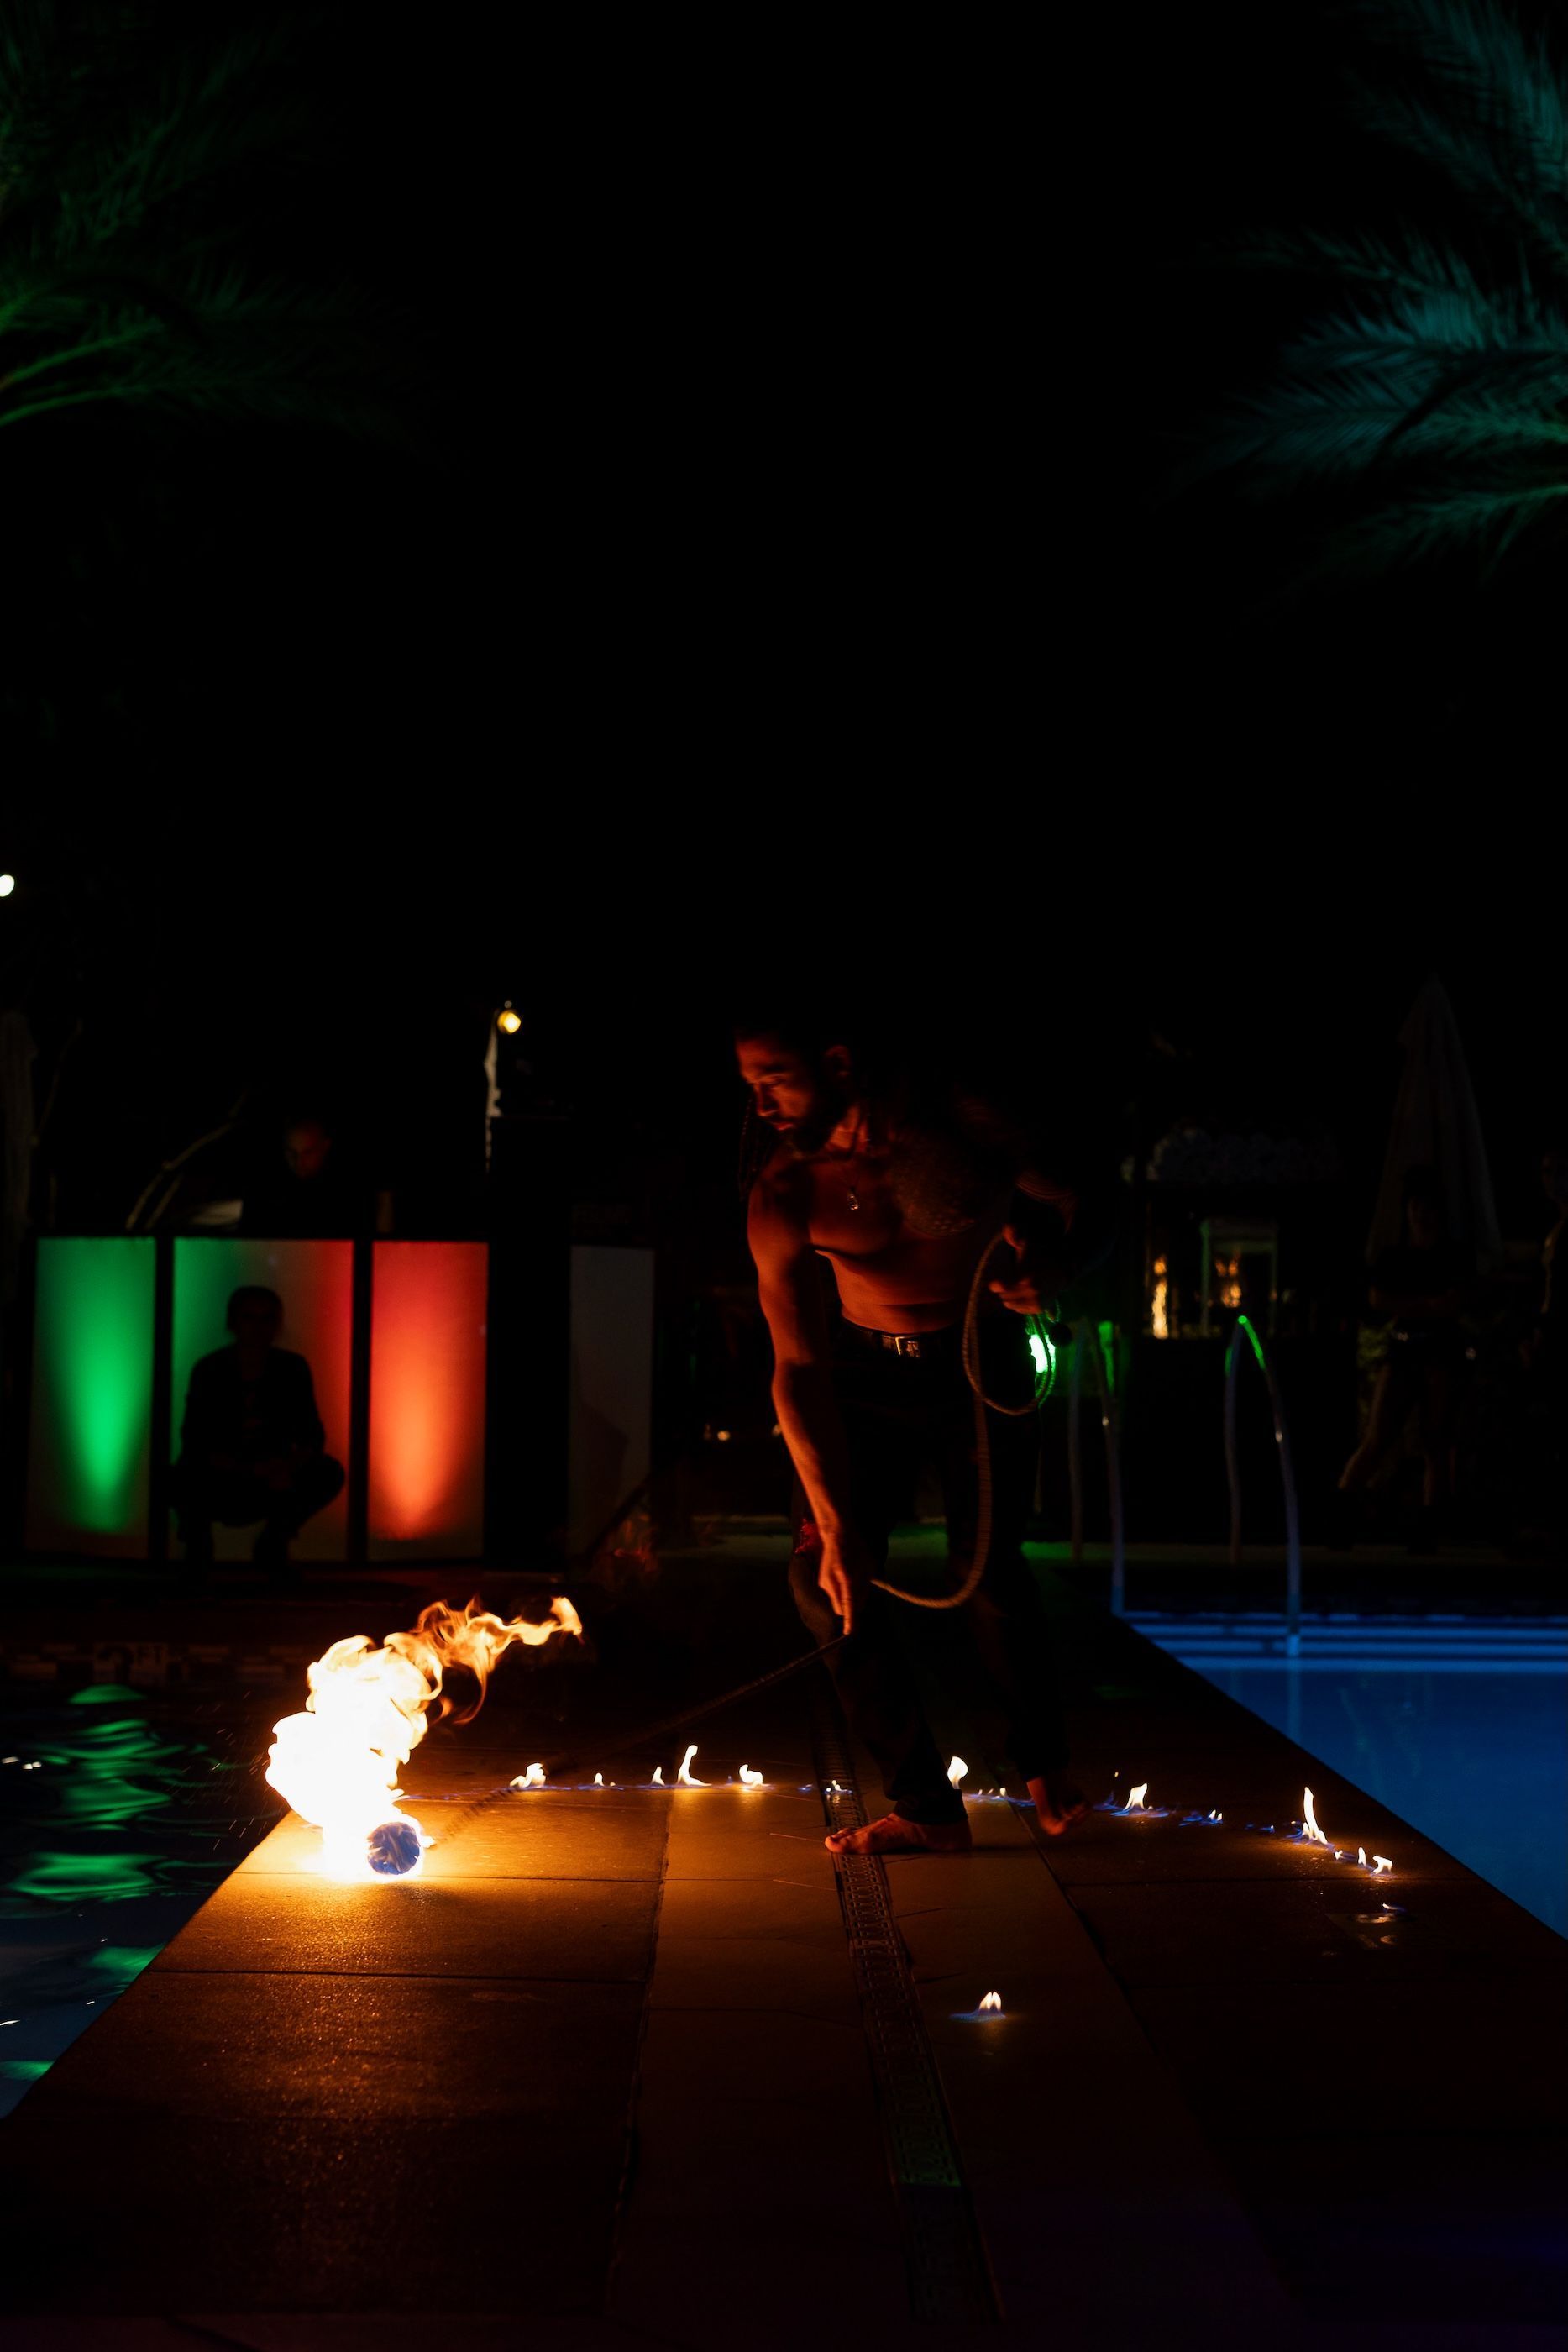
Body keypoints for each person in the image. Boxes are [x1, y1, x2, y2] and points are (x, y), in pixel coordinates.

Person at [737, 1005, 1110, 1856]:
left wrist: (1056, 1265)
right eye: (748, 1086)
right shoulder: (787, 1189)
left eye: (774, 1079)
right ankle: (924, 1804)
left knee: (988, 1576)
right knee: (820, 1582)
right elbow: (795, 1369)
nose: (760, 1105)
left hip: (978, 1361)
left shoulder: (965, 1133)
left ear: (835, 1062)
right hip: (860, 1373)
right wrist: (833, 1527)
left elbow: (1095, 1193)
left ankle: (1042, 1764)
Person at [1336, 1165, 1474, 1546]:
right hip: (1404, 1349)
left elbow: (1451, 1304)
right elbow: (1380, 1299)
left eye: (1427, 1207)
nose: (1421, 1214)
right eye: (1415, 1207)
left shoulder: (1452, 1255)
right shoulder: (1396, 1256)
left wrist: (1416, 1307)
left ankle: (1433, 1524)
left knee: (1436, 1440)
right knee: (1378, 1436)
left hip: (1439, 1352)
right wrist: (1425, 1306)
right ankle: (1344, 1510)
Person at [170, 1286, 343, 1570]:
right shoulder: (210, 1369)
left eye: (266, 1319)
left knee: (328, 1472)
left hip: (274, 1472)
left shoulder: (292, 1368)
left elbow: (312, 1433)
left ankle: (274, 1539)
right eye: (249, 1317)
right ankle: (200, 1545)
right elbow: (195, 1439)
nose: (257, 1328)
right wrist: (246, 1468)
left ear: (276, 1324)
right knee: (179, 1476)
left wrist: (287, 1465)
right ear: (233, 1322)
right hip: (221, 1475)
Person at [241, 1109, 385, 1237]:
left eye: (308, 1153)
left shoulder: (347, 1193)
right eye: (291, 1152)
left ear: (325, 1146)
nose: (299, 1162)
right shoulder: (266, 1192)